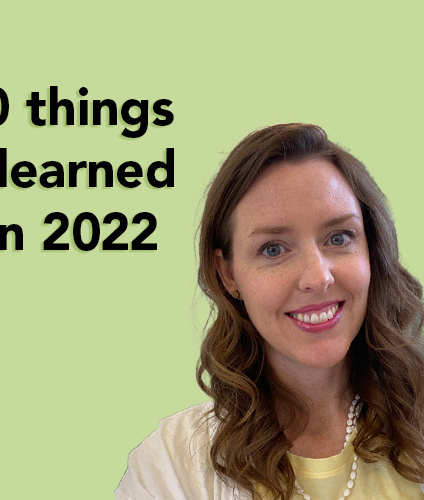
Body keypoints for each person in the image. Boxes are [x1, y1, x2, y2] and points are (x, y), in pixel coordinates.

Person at [115, 124, 424, 500]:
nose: (317, 277)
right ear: (228, 273)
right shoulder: (170, 462)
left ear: (371, 249)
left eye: (339, 238)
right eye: (273, 249)